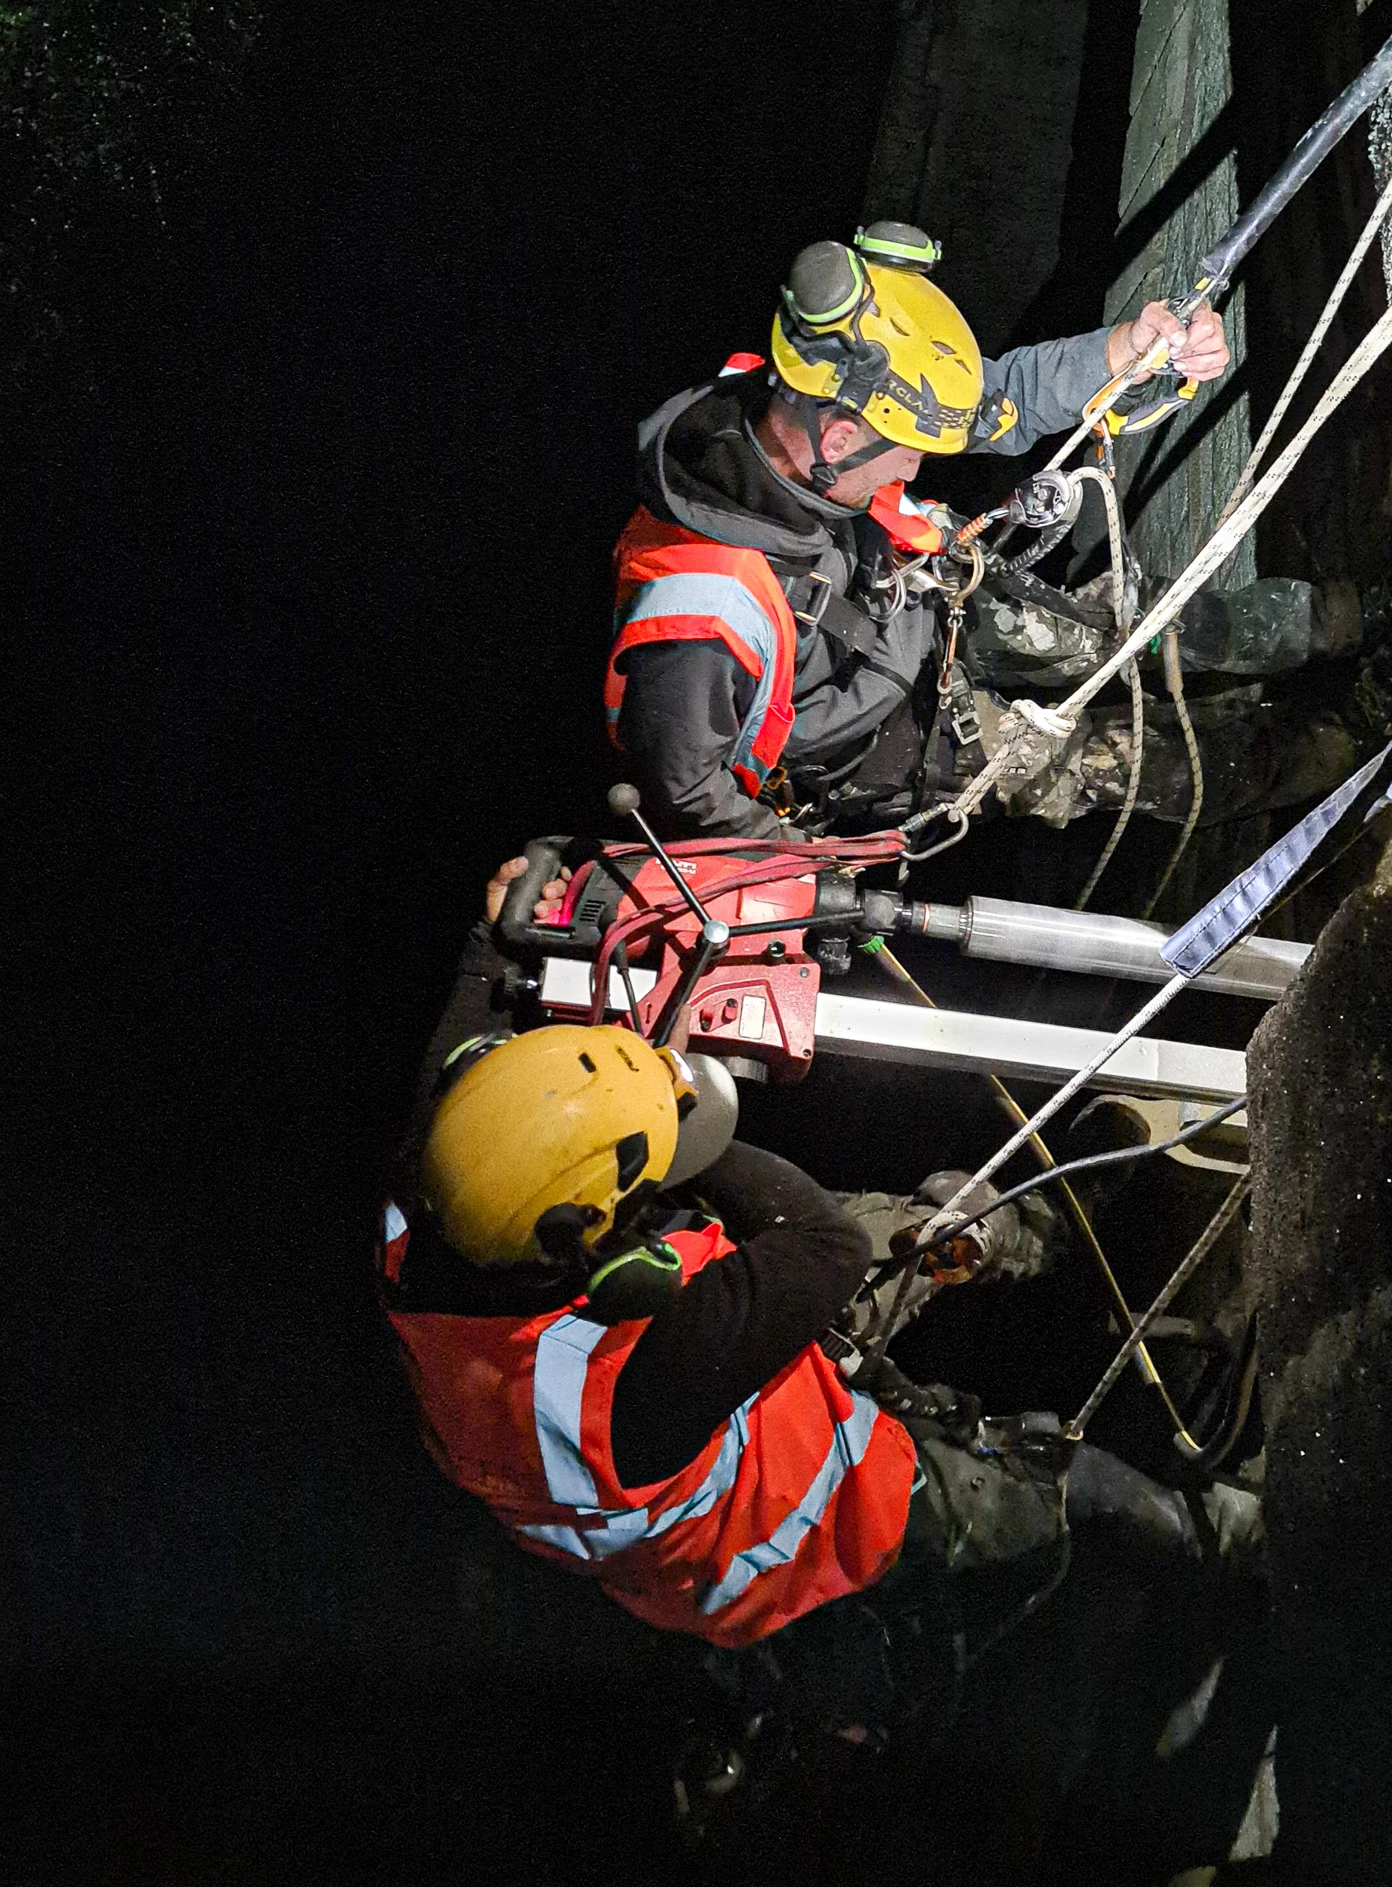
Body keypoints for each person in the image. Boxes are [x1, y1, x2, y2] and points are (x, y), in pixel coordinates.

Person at [378, 859, 1227, 1689]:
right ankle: (1231, 1543)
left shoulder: (452, 1188)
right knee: (1048, 1493)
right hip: (798, 1518)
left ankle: (1064, 1203)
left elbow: (468, 1061)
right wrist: (677, 1112)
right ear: (609, 1255)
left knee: (940, 1233)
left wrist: (498, 931)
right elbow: (826, 1248)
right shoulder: (637, 1374)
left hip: (732, 1373)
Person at [605, 222, 1359, 841]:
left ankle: (1339, 619)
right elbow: (688, 796)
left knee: (1126, 621)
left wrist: (1127, 351)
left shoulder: (810, 400)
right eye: (912, 449)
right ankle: (1346, 737)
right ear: (836, 445)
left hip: (922, 601)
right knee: (1130, 764)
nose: (924, 461)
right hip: (900, 738)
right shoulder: (701, 624)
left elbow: (995, 401)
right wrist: (813, 870)